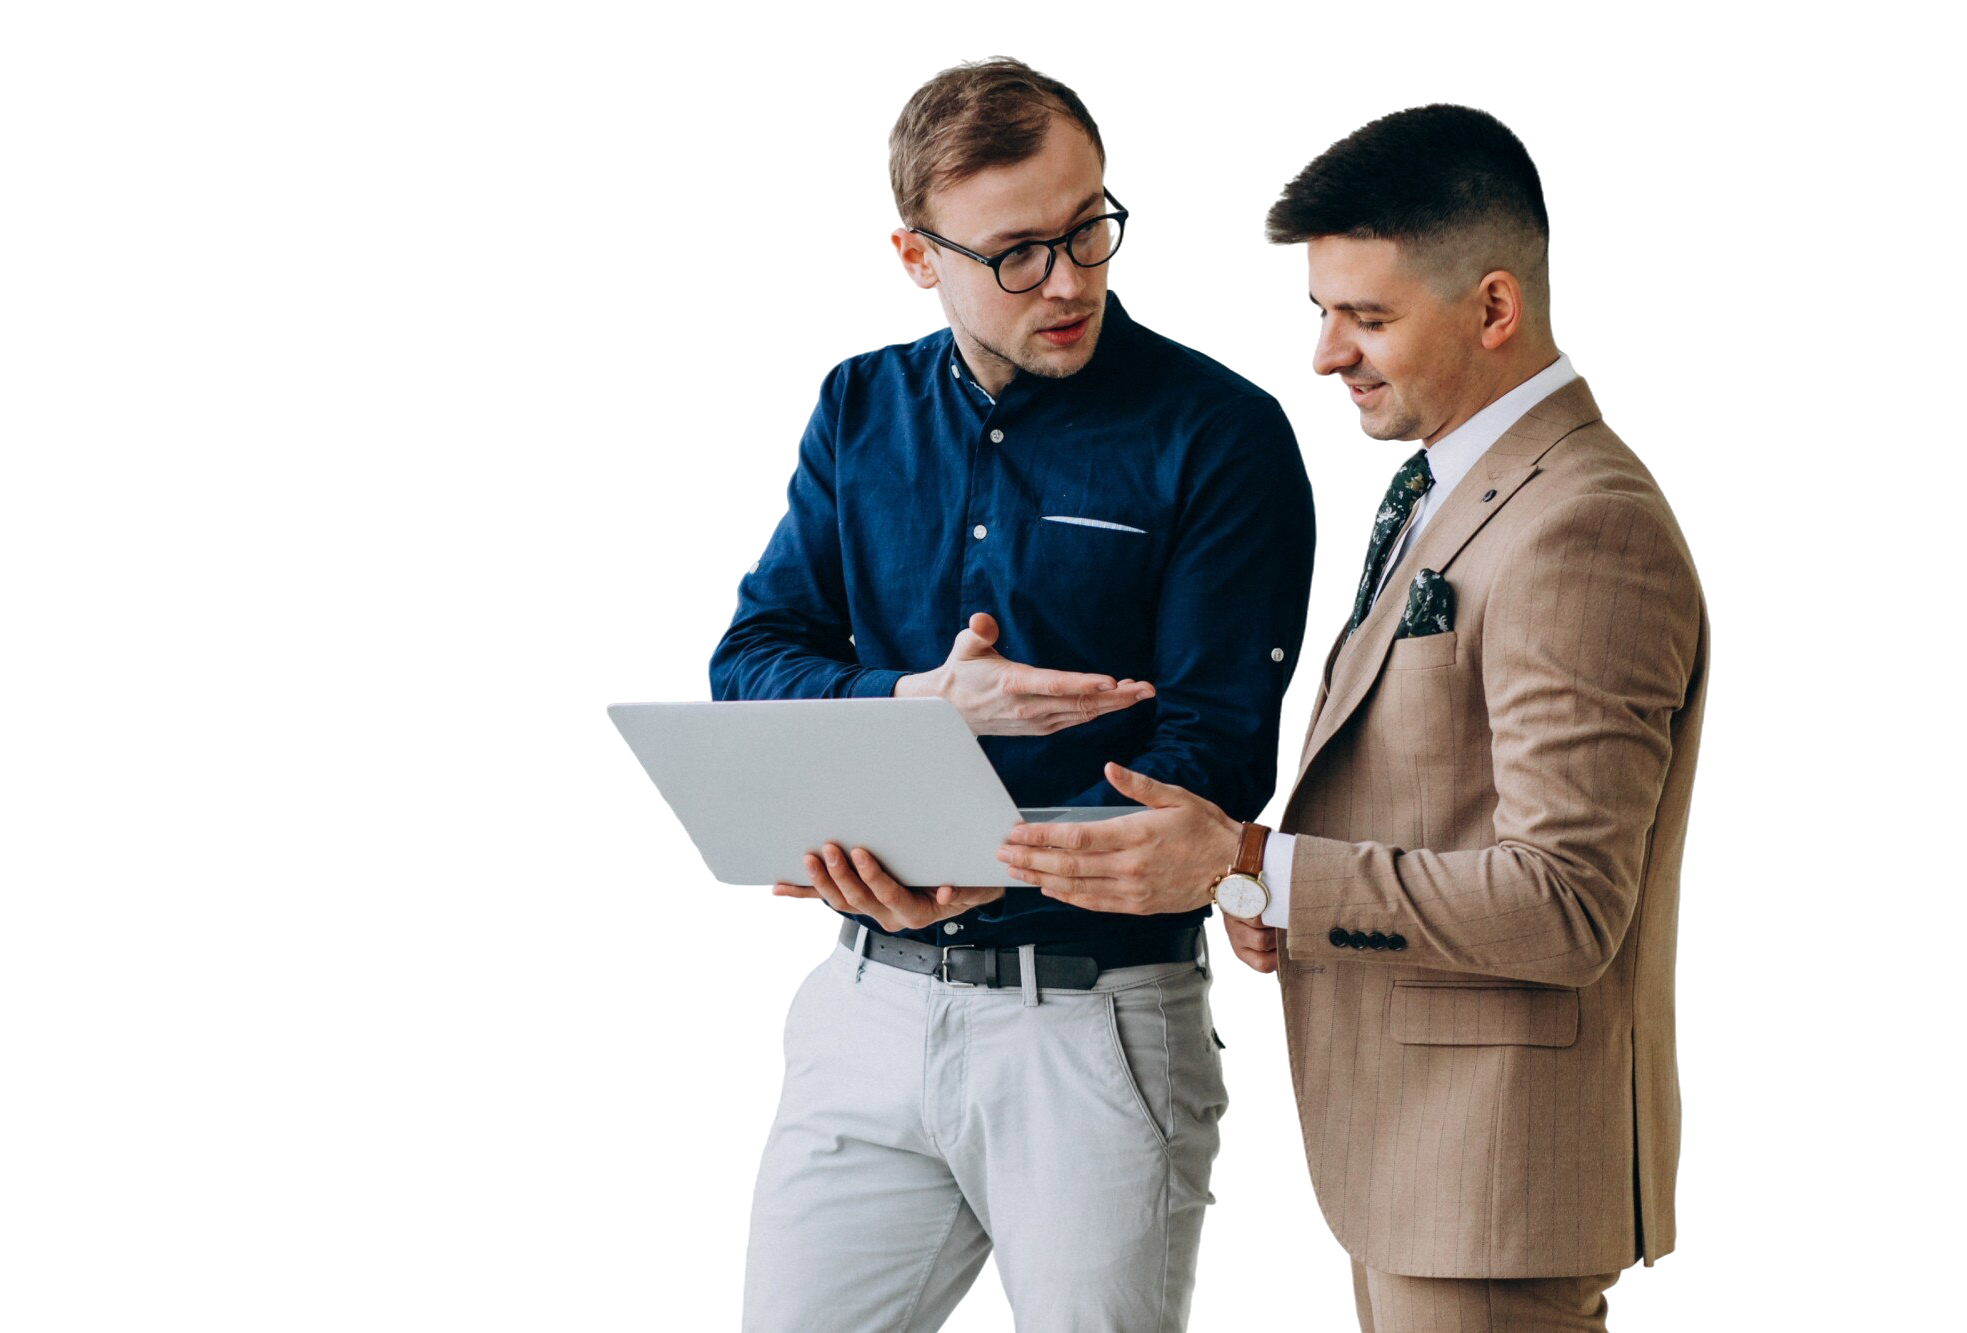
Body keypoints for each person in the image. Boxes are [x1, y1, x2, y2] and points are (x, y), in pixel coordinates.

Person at [998, 99, 1715, 1331]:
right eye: (1317, 314)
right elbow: (1418, 795)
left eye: (1365, 319)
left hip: (1495, 1189)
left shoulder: (1582, 523)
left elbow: (1563, 902)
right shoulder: (1444, 480)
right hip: (1414, 1173)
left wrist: (1243, 861)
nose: (1323, 355)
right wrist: (1266, 900)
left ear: (1493, 309)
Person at [706, 56, 1319, 1332]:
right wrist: (921, 700)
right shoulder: (853, 403)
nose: (1073, 279)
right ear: (913, 257)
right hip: (860, 1005)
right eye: (1018, 252)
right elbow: (748, 663)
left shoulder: (1224, 431)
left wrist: (998, 865)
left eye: (1093, 224)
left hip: (1093, 1029)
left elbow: (1219, 762)